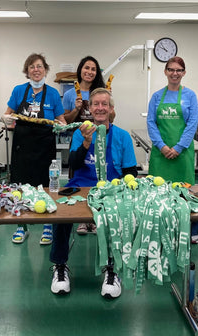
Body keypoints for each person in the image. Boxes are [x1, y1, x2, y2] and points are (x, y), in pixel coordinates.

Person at [50, 88, 137, 298]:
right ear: (90, 108)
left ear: (111, 109)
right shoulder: (81, 133)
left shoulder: (123, 136)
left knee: (120, 216)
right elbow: (72, 164)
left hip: (110, 187)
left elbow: (131, 172)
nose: (100, 108)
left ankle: (112, 268)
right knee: (60, 215)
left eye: (104, 104)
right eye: (96, 104)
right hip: (80, 186)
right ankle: (60, 266)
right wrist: (87, 143)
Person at [3, 53, 66, 245]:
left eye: (39, 66)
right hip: (22, 146)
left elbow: (61, 119)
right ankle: (21, 226)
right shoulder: (18, 91)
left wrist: (61, 125)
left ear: (45, 70)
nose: (36, 70)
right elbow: (8, 115)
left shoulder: (53, 93)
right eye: (32, 66)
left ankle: (47, 225)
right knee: (20, 187)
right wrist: (7, 120)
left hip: (45, 146)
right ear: (27, 71)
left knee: (45, 186)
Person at [146, 56, 198, 244]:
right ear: (165, 72)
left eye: (179, 70)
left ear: (184, 73)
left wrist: (178, 147)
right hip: (160, 155)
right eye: (171, 69)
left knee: (186, 194)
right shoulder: (156, 96)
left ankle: (191, 231)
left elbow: (192, 123)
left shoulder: (190, 95)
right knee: (159, 193)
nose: (175, 73)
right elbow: (151, 123)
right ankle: (160, 227)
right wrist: (162, 146)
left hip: (182, 153)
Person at [62, 55, 115, 235]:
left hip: (100, 136)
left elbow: (111, 118)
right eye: (87, 68)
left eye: (93, 69)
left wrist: (109, 109)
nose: (89, 72)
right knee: (79, 174)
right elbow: (65, 120)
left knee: (99, 173)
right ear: (80, 70)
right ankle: (82, 219)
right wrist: (77, 109)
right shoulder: (70, 94)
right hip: (80, 138)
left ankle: (96, 218)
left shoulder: (101, 91)